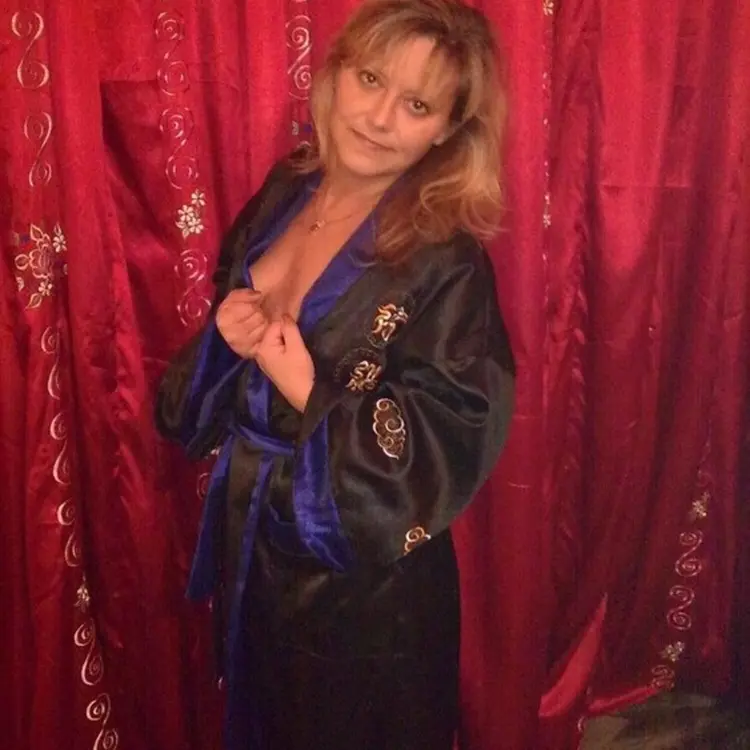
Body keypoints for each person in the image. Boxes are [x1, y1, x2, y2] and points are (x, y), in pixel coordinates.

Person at [155, 0, 515, 748]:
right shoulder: (287, 191)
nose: (379, 118)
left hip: (363, 591)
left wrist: (304, 386)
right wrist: (226, 339)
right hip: (257, 547)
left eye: (416, 105)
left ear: (446, 130)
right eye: (371, 79)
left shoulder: (447, 262)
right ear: (336, 74)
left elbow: (448, 441)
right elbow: (196, 398)